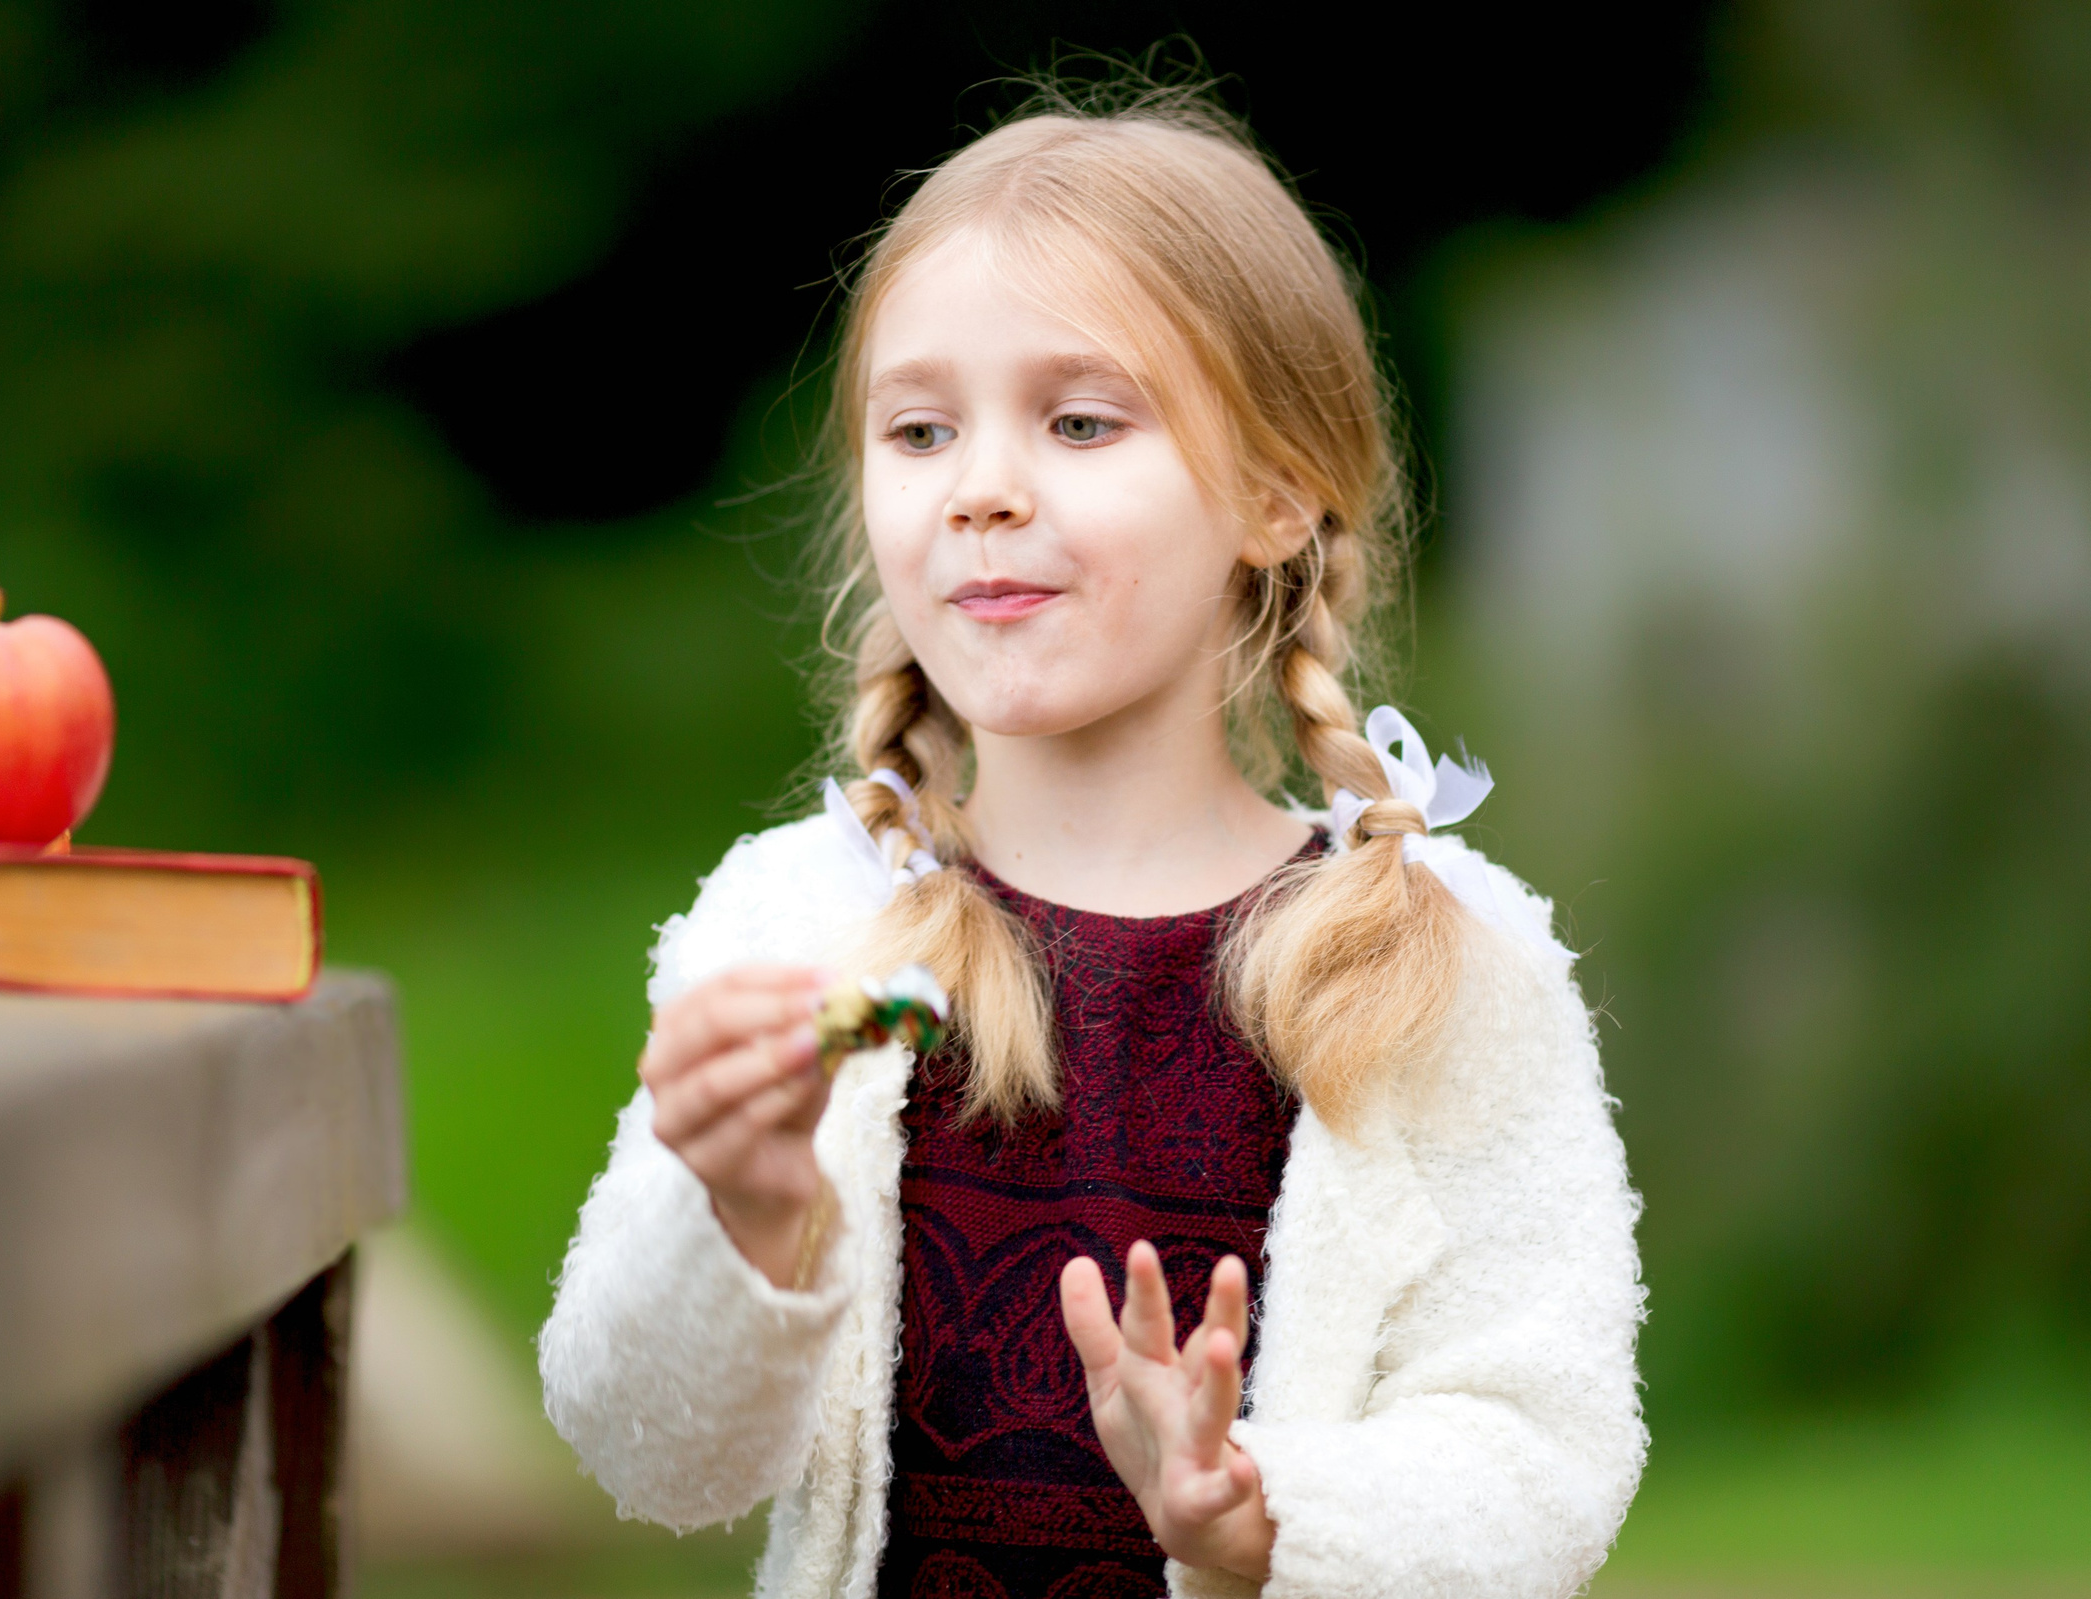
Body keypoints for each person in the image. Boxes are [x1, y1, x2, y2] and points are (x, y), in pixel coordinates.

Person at [539, 81, 1644, 1599]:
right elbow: (644, 1451)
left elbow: (1541, 1453)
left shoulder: (1430, 955)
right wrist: (743, 1214)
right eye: (922, 430)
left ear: (1272, 493)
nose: (984, 491)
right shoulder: (812, 932)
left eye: (1076, 421)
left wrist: (1259, 1515)